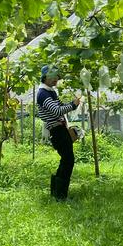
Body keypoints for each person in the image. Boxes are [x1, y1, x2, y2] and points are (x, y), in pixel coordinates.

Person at [37, 65, 81, 200]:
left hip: (60, 129)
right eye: (53, 76)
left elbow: (60, 106)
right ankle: (60, 195)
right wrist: (73, 105)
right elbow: (56, 111)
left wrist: (72, 104)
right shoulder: (43, 94)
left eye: (57, 76)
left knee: (66, 160)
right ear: (45, 77)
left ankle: (57, 193)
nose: (56, 78)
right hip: (57, 131)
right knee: (68, 160)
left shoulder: (51, 92)